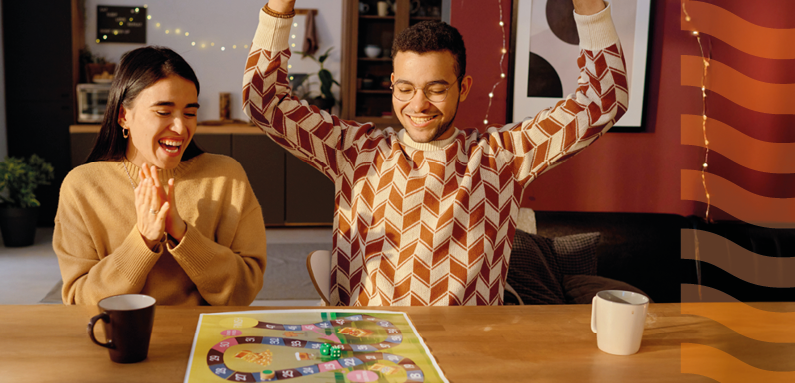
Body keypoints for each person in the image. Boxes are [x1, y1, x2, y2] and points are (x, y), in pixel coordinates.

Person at [243, 0, 627, 306]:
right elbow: (263, 101)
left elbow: (603, 99)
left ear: (464, 87)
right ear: (392, 84)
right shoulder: (355, 150)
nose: (418, 104)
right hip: (367, 347)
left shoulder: (502, 156)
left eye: (437, 89)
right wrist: (281, 5)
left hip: (463, 350)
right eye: (405, 88)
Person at [54, 46, 266, 307]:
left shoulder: (226, 177)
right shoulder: (82, 187)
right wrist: (142, 240)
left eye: (190, 113)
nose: (180, 127)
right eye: (163, 112)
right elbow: (79, 301)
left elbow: (245, 289)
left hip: (205, 330)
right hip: (118, 331)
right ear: (123, 116)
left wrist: (183, 235)